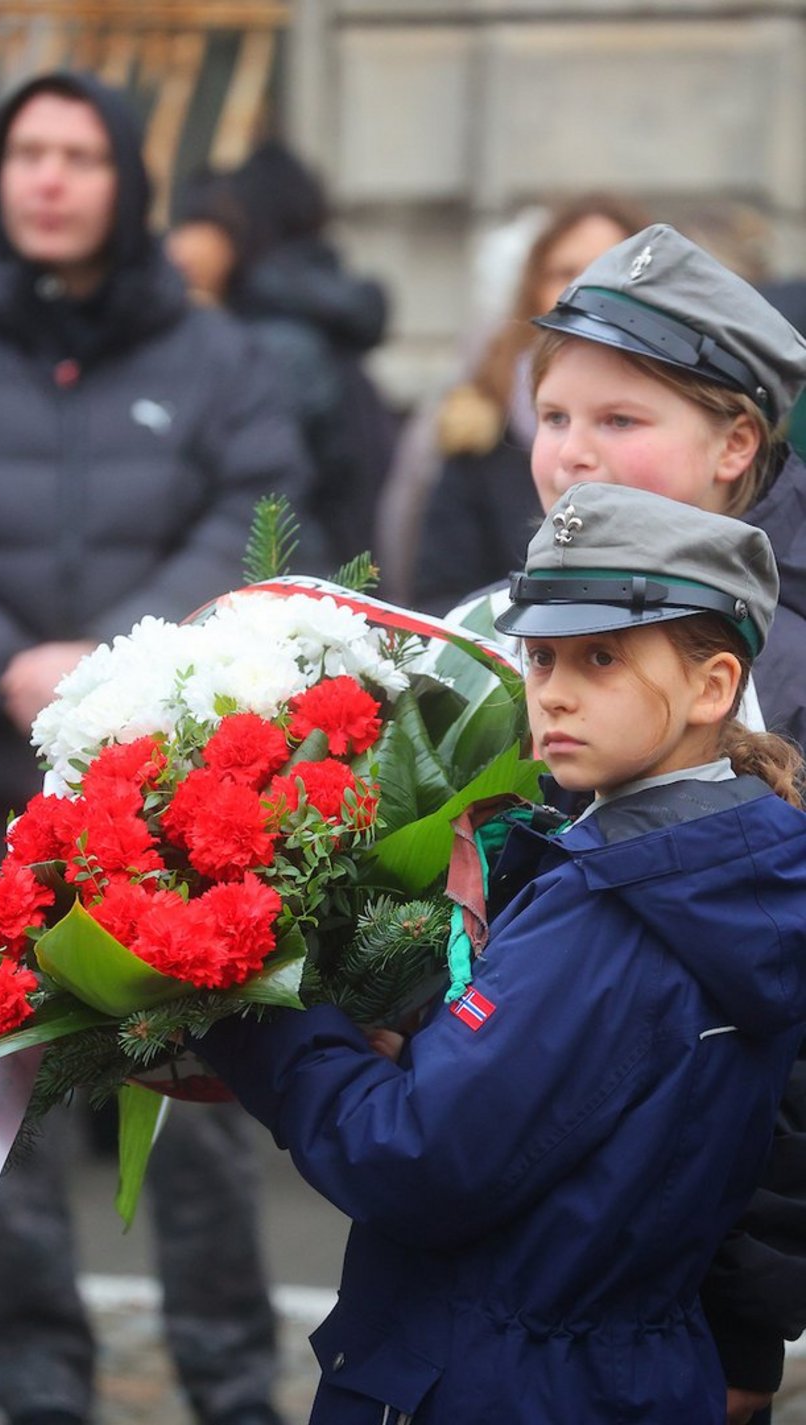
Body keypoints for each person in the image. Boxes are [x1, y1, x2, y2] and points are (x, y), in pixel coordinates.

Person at [0, 69, 317, 1425]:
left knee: (206, 1102)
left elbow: (253, 511)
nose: (47, 177)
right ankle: (38, 1385)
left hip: (179, 803)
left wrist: (116, 682)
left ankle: (232, 1382)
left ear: (127, 178)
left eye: (77, 155)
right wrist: (8, 666)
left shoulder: (218, 353)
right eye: (27, 153)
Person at [190, 481, 806, 1424]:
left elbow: (414, 1160)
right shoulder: (735, 863)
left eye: (601, 656)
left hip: (496, 1378)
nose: (554, 689)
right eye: (541, 654)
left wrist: (255, 1004)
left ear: (713, 685)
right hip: (625, 1368)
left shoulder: (613, 904)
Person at [446, 223, 806, 1425]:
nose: (571, 455)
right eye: (553, 418)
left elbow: (785, 1045)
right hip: (494, 1238)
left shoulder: (773, 669)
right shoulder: (497, 629)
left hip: (677, 1302)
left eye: (618, 421)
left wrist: (744, 1325)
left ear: (733, 446)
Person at [378, 192, 649, 610]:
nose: (586, 288)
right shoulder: (482, 423)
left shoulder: (689, 414)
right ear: (534, 288)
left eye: (609, 268)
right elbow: (439, 587)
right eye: (565, 271)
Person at [167, 142, 397, 570]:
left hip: (292, 589)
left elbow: (271, 499)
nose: (180, 245)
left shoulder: (273, 342)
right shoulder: (307, 319)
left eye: (205, 223)